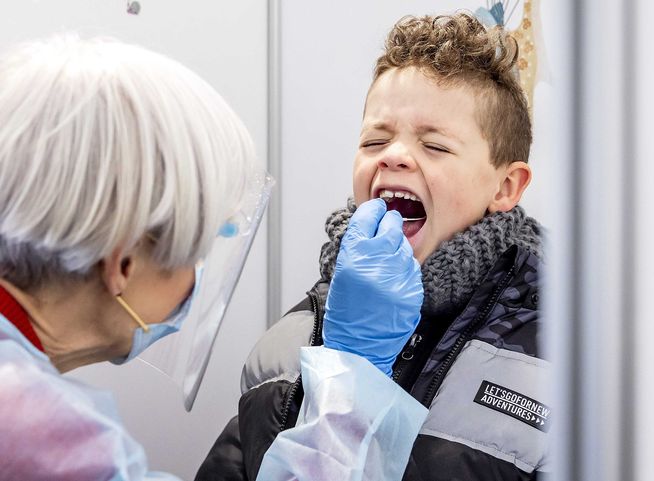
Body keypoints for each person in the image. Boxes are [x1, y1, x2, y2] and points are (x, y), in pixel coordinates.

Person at [0, 35, 427, 481]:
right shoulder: (35, 438)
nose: (395, 157)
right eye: (195, 250)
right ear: (122, 264)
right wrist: (354, 376)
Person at [197, 11, 550, 481]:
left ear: (505, 186)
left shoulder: (561, 356)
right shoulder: (292, 340)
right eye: (375, 139)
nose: (394, 155)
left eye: (436, 146)